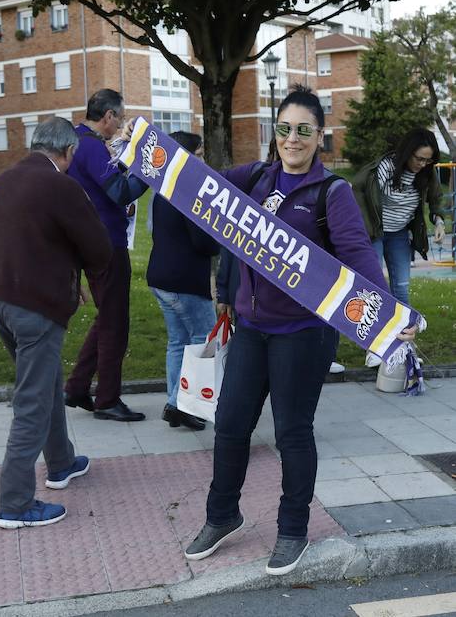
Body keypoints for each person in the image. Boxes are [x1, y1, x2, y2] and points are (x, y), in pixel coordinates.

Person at [183, 86, 416, 576]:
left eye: (304, 130)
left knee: (292, 432)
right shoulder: (256, 177)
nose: (292, 138)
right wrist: (141, 149)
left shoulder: (332, 193)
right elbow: (197, 184)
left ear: (319, 136)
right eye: (285, 128)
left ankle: (293, 530)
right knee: (230, 425)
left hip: (303, 333)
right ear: (275, 133)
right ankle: (221, 516)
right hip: (251, 328)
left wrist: (392, 315)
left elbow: (358, 256)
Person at [0, 117, 112, 529]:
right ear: (69, 151)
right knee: (33, 402)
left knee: (47, 383)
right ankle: (15, 504)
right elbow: (100, 248)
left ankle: (61, 462)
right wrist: (81, 272)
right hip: (35, 307)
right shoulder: (61, 185)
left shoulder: (5, 180)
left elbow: (27, 238)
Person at [63, 89, 147, 422]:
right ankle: (108, 400)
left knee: (106, 317)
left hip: (89, 241)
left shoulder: (75, 141)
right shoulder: (92, 147)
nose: (120, 124)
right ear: (108, 116)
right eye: (120, 117)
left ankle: (77, 387)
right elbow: (121, 191)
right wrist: (151, 171)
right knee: (115, 324)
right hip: (107, 244)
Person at [147, 131, 218, 431]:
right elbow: (204, 243)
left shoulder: (163, 186)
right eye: (199, 154)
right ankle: (180, 405)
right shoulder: (190, 190)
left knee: (178, 342)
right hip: (185, 280)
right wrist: (220, 235)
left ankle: (175, 402)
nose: (203, 160)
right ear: (185, 156)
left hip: (160, 276)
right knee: (204, 339)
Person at [352, 128, 446, 305]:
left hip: (399, 234)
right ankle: (374, 322)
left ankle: (402, 323)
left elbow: (435, 199)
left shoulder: (427, 172)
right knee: (372, 286)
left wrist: (439, 222)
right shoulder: (385, 168)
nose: (423, 164)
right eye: (419, 158)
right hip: (374, 233)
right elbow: (359, 193)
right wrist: (362, 229)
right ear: (407, 152)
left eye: (428, 160)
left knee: (401, 287)